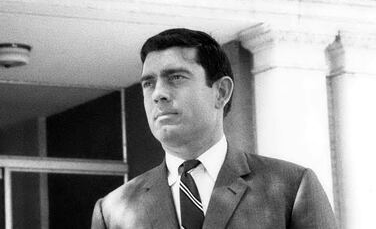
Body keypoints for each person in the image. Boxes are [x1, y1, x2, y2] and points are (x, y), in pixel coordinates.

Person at [91, 28, 337, 229]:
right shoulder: (112, 211)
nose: (158, 94)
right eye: (149, 83)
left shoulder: (291, 188)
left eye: (175, 77)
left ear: (221, 92)